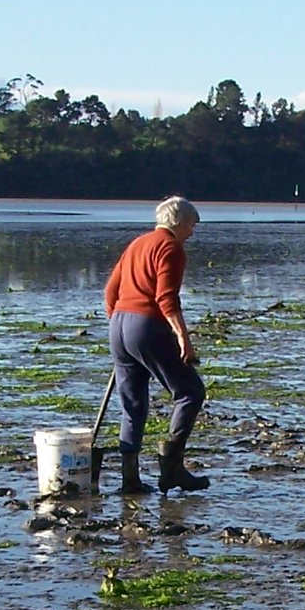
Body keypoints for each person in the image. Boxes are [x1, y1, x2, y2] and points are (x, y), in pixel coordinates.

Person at [103, 194, 208, 493]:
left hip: (119, 324)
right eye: (192, 226)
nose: (192, 233)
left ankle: (130, 480)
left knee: (133, 404)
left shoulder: (137, 243)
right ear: (181, 222)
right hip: (145, 324)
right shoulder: (171, 248)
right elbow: (166, 298)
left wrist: (119, 327)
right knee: (189, 391)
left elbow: (111, 291)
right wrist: (183, 339)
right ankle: (172, 467)